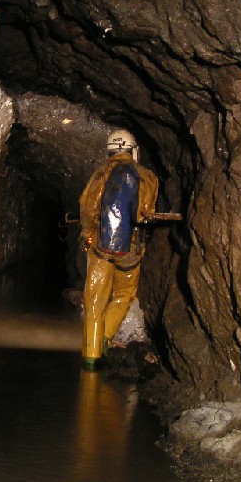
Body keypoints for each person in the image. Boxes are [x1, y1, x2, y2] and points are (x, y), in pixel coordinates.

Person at [79, 128, 159, 371]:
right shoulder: (148, 177)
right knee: (124, 295)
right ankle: (106, 337)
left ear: (110, 152)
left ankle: (91, 356)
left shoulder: (101, 174)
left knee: (94, 300)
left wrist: (89, 235)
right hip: (131, 249)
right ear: (134, 151)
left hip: (102, 247)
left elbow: (88, 207)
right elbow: (147, 213)